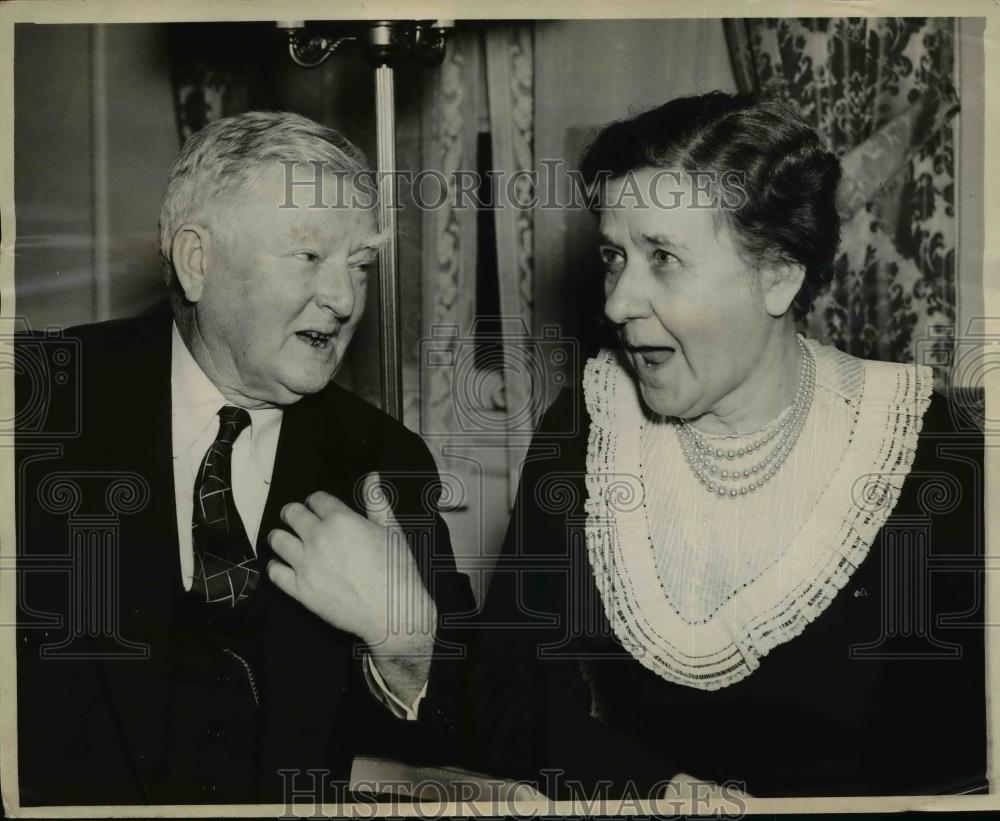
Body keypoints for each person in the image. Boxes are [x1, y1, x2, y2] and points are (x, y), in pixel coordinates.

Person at [467, 92, 986, 798]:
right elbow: (506, 693)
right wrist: (651, 788)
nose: (618, 302)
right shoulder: (586, 427)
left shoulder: (930, 443)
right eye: (616, 256)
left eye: (663, 257)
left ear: (777, 276)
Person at [15, 111, 474, 806]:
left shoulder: (384, 462)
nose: (344, 299)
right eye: (309, 256)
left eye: (359, 265)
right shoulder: (35, 401)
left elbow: (471, 733)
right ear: (198, 262)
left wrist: (404, 641)